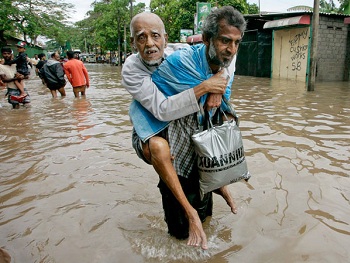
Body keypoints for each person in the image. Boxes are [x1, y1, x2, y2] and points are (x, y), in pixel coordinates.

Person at [123, 8, 245, 249]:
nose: (150, 43)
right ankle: (189, 214)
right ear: (133, 42)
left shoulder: (181, 54)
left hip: (189, 129)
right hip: (152, 124)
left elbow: (226, 62)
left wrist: (216, 88)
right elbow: (162, 110)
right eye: (141, 37)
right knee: (159, 149)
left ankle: (218, 188)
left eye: (155, 36)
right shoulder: (133, 69)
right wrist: (206, 87)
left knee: (212, 145)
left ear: (165, 39)